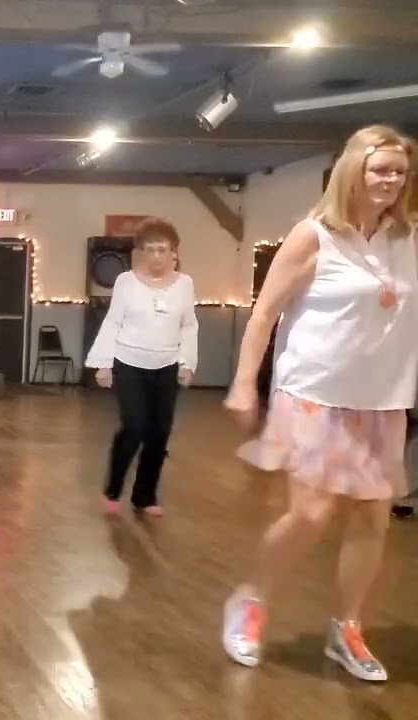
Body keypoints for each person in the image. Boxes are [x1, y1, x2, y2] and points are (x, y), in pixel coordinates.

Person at [221, 125, 417, 683]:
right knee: (310, 513)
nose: (391, 180)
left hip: (382, 398)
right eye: (380, 169)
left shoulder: (408, 238)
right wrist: (243, 383)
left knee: (372, 517)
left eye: (400, 171)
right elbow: (264, 314)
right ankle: (252, 600)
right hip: (313, 391)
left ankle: (347, 628)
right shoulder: (314, 236)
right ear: (354, 170)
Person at [84, 218, 199, 516]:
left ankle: (145, 495)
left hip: (166, 366)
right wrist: (102, 363)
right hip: (129, 363)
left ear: (173, 252)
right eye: (150, 249)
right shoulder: (126, 281)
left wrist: (187, 362)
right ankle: (113, 488)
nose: (157, 256)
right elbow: (113, 321)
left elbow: (189, 325)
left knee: (159, 433)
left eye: (163, 249)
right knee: (134, 426)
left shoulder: (184, 284)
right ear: (142, 252)